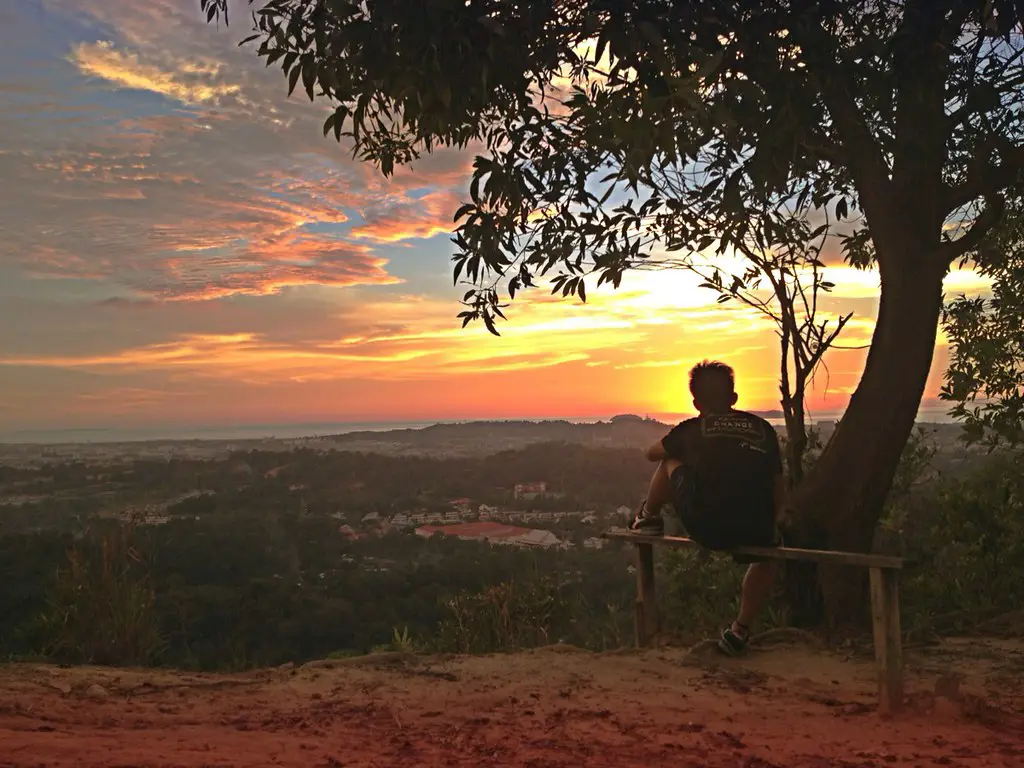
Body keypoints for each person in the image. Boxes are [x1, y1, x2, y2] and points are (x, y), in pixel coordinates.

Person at [630, 360, 786, 657]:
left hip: (707, 527)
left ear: (696, 402)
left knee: (669, 461)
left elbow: (651, 455)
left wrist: (679, 447)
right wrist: (776, 523)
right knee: (767, 557)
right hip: (756, 527)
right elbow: (778, 483)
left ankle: (648, 517)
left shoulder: (693, 428)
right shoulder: (762, 428)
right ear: (734, 399)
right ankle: (740, 630)